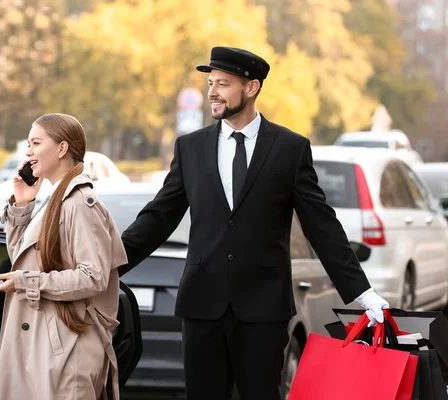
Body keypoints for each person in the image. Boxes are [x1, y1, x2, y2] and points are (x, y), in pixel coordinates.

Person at [119, 46, 389, 400]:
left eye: (223, 84)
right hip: (202, 306)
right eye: (210, 83)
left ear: (251, 87)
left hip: (263, 309)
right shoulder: (190, 147)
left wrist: (361, 292)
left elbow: (321, 225)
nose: (212, 92)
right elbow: (158, 218)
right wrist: (107, 264)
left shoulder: (290, 149)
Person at [0, 113, 128, 400]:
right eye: (28, 144)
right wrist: (22, 205)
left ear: (62, 148)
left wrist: (26, 282)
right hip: (47, 343)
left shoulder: (79, 203)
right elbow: (21, 258)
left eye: (36, 143)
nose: (28, 152)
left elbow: (93, 277)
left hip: (65, 347)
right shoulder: (56, 199)